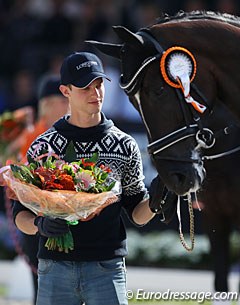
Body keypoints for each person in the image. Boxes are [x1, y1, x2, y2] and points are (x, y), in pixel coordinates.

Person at [12, 51, 163, 305]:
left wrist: (160, 194)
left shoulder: (124, 145)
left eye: (99, 84)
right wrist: (40, 225)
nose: (96, 93)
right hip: (55, 267)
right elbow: (20, 215)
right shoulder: (44, 146)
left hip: (107, 268)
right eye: (85, 87)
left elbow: (137, 214)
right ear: (65, 90)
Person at [10, 74, 69, 305]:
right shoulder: (32, 136)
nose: (68, 104)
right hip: (33, 218)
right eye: (63, 100)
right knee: (43, 288)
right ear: (47, 104)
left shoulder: (69, 132)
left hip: (61, 215)